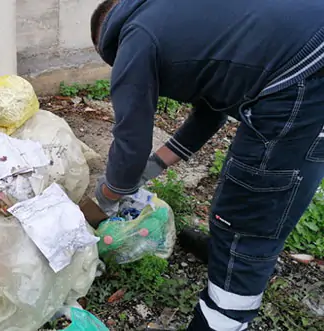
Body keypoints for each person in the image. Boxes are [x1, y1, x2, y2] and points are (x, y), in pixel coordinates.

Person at [90, 0, 324, 330]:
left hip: (305, 77)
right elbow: (214, 107)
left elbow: (130, 145)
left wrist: (106, 195)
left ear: (107, 47)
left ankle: (223, 313)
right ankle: (225, 253)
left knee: (246, 214)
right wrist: (154, 166)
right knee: (260, 192)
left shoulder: (134, 37)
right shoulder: (175, 15)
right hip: (308, 59)